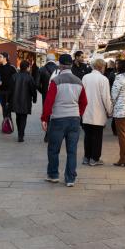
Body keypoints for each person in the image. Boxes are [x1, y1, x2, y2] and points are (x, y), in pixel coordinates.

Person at [41, 54, 87, 187]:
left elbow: (49, 102)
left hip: (58, 119)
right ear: (71, 65)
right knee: (72, 150)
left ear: (60, 65)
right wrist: (78, 113)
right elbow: (84, 101)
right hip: (74, 119)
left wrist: (44, 118)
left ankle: (53, 175)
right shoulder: (79, 81)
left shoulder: (56, 81)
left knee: (53, 149)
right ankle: (70, 178)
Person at [81, 59, 112, 166]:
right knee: (97, 136)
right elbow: (106, 98)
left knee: (87, 135)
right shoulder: (104, 79)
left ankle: (86, 157)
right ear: (101, 67)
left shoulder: (85, 77)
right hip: (99, 112)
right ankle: (94, 158)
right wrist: (110, 110)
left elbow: (81, 94)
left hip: (86, 111)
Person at [10, 60, 37, 142]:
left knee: (18, 117)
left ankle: (20, 133)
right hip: (26, 101)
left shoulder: (14, 76)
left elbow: (10, 89)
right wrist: (34, 99)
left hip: (15, 100)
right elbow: (33, 89)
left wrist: (9, 101)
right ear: (28, 67)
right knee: (23, 118)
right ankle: (21, 135)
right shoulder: (29, 77)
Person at [0, 52, 17, 124]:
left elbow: (16, 79)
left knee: (8, 108)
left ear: (5, 58)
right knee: (4, 108)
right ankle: (6, 124)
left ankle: (8, 123)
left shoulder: (12, 68)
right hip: (2, 91)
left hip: (10, 92)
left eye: (0, 57)